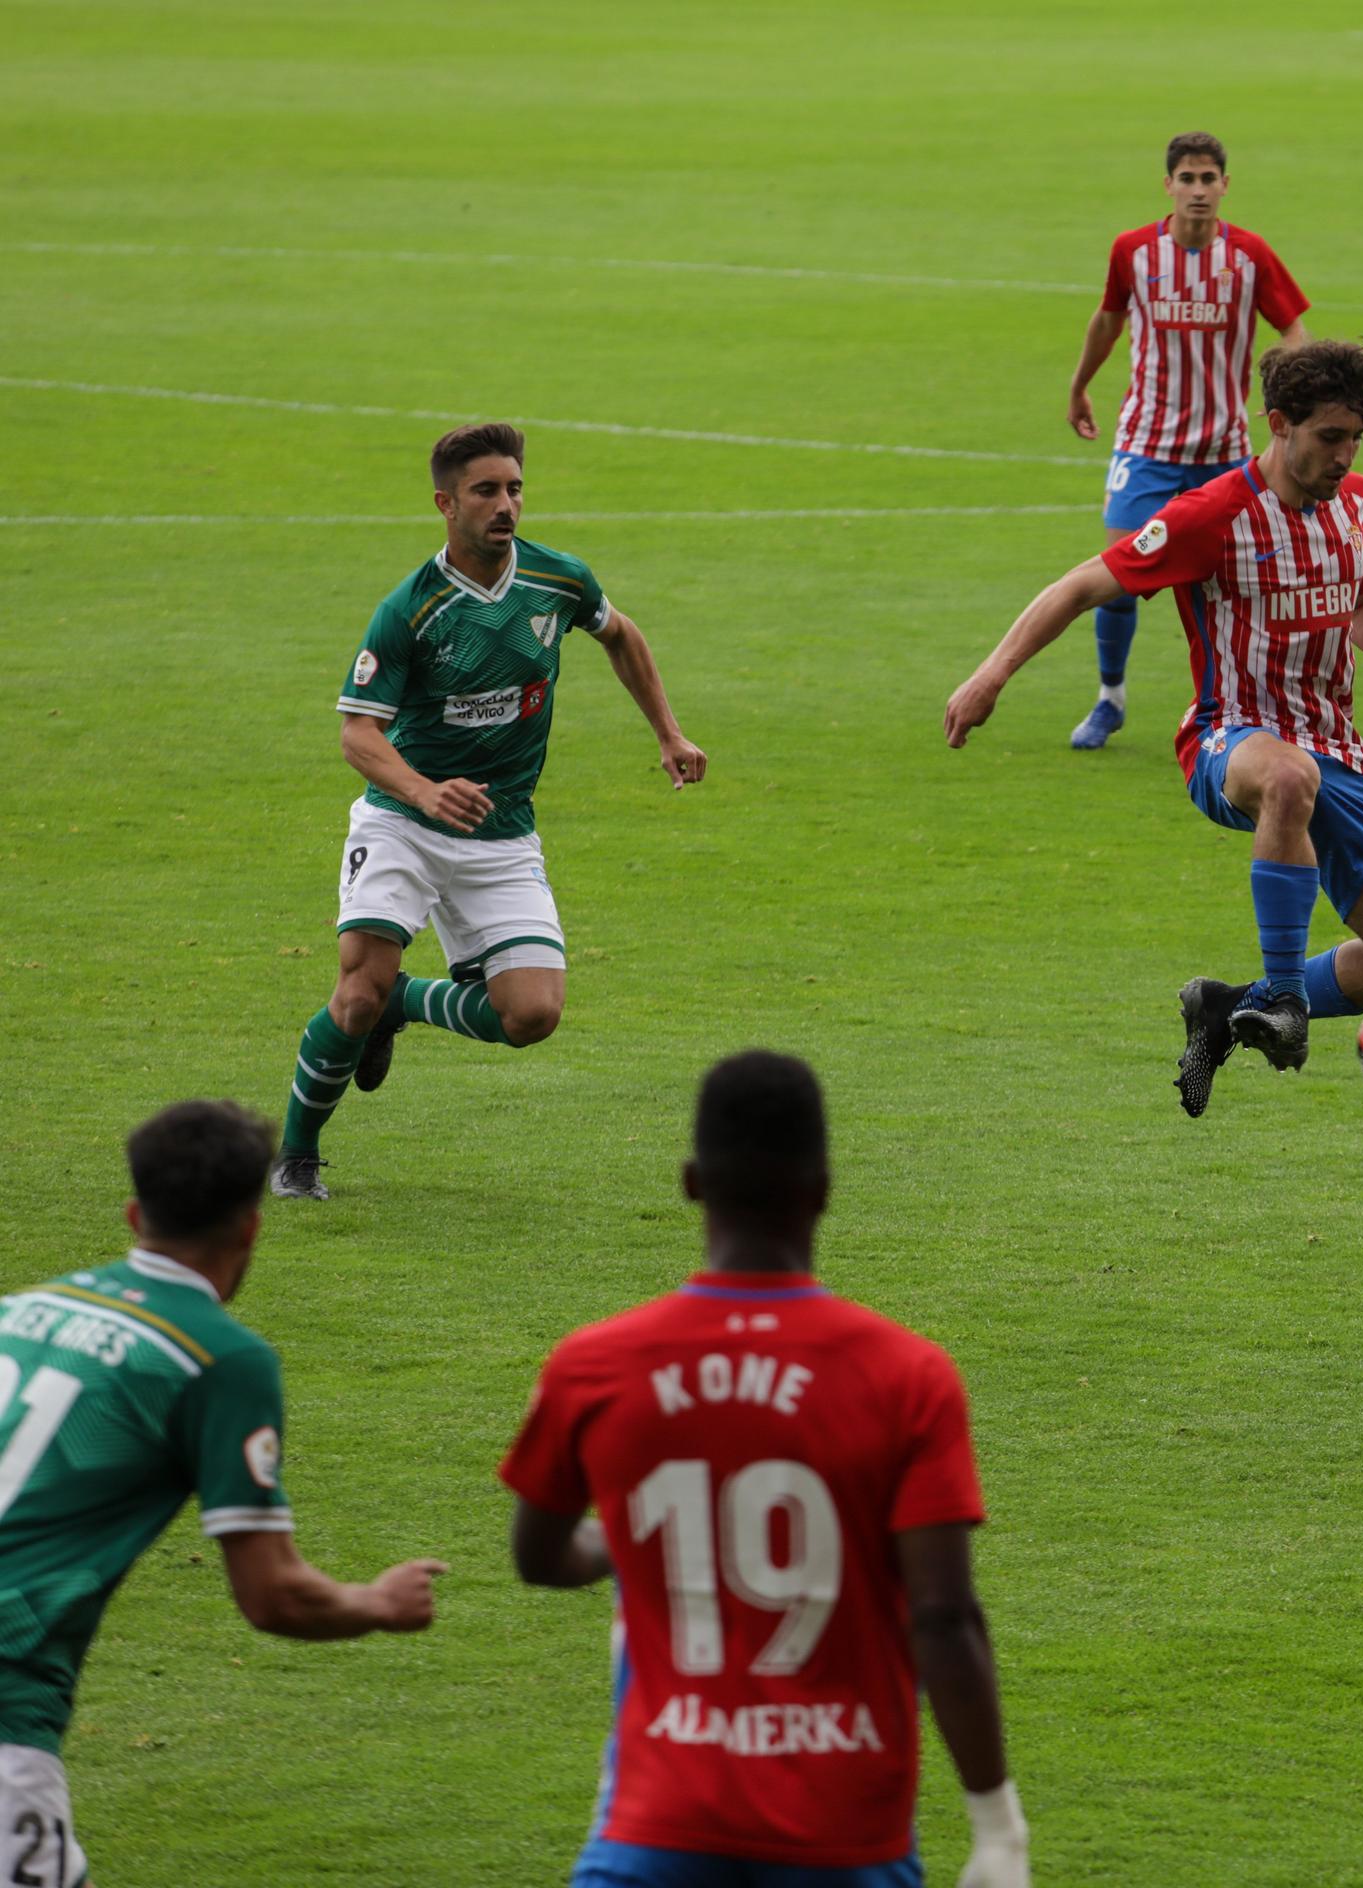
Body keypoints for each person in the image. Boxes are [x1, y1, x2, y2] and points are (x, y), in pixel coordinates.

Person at [500, 1052, 1029, 1888]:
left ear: (689, 1184)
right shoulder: (906, 1376)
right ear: (822, 1189)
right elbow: (944, 1618)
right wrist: (998, 1830)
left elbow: (538, 1558)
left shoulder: (593, 1367)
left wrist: (635, 1543)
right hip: (845, 1842)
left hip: (657, 1835)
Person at [947, 340, 1363, 1118]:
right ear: (1279, 424)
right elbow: (1083, 583)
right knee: (1289, 777)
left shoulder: (1357, 503)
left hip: (1337, 754)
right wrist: (991, 676)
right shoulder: (1211, 514)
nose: (1344, 455)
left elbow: (1360, 602)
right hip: (1233, 739)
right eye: (1329, 437)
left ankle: (1226, 1012)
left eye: (1356, 437)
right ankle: (1284, 996)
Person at [0, 1102, 445, 1887]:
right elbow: (274, 1597)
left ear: (135, 1213)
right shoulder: (220, 1358)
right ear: (251, 1228)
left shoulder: (21, 1311)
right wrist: (379, 1602)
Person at [271, 422, 708, 1200]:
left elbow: (623, 635)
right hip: (402, 824)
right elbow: (357, 733)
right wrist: (422, 790)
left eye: (514, 488)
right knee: (356, 990)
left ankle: (407, 1001)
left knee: (532, 1015)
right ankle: (297, 1155)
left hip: (500, 833)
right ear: (446, 503)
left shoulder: (558, 581)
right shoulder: (410, 609)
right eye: (485, 491)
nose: (505, 505)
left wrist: (669, 732)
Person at [1064, 131, 1310, 749]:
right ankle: (1110, 698)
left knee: (1225, 588)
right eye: (1187, 179)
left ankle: (1222, 707)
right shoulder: (1134, 252)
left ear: (1226, 185)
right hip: (1145, 444)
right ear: (1168, 185)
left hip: (1224, 455)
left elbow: (1294, 332)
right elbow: (1109, 319)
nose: (1198, 190)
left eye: (1209, 179)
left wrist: (1288, 402)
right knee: (1120, 572)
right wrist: (1079, 385)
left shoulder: (1250, 256)